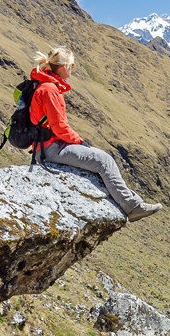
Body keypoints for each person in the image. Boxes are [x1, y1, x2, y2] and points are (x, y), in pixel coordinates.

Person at [29, 46, 162, 222]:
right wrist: (80, 142)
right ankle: (132, 206)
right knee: (103, 160)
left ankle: (133, 202)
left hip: (48, 145)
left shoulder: (48, 86)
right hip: (50, 148)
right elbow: (59, 127)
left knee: (99, 158)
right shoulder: (49, 90)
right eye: (72, 65)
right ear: (63, 66)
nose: (72, 69)